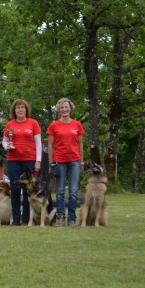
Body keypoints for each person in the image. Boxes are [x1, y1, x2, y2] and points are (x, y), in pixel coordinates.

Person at [2, 99, 43, 226]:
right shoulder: (10, 124)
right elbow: (4, 141)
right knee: (14, 189)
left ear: (26, 110)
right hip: (13, 161)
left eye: (22, 107)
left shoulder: (33, 123)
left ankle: (26, 219)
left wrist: (38, 161)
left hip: (29, 160)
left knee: (27, 190)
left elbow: (38, 143)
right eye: (17, 108)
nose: (20, 110)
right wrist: (6, 146)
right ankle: (16, 218)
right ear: (14, 110)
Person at [47, 97, 85, 227]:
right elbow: (50, 145)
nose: (64, 109)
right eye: (62, 107)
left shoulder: (77, 124)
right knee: (60, 191)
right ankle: (60, 217)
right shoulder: (54, 125)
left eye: (66, 107)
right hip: (59, 161)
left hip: (74, 161)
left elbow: (80, 144)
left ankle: (72, 218)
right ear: (58, 109)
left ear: (70, 109)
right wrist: (51, 163)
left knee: (74, 192)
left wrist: (81, 162)